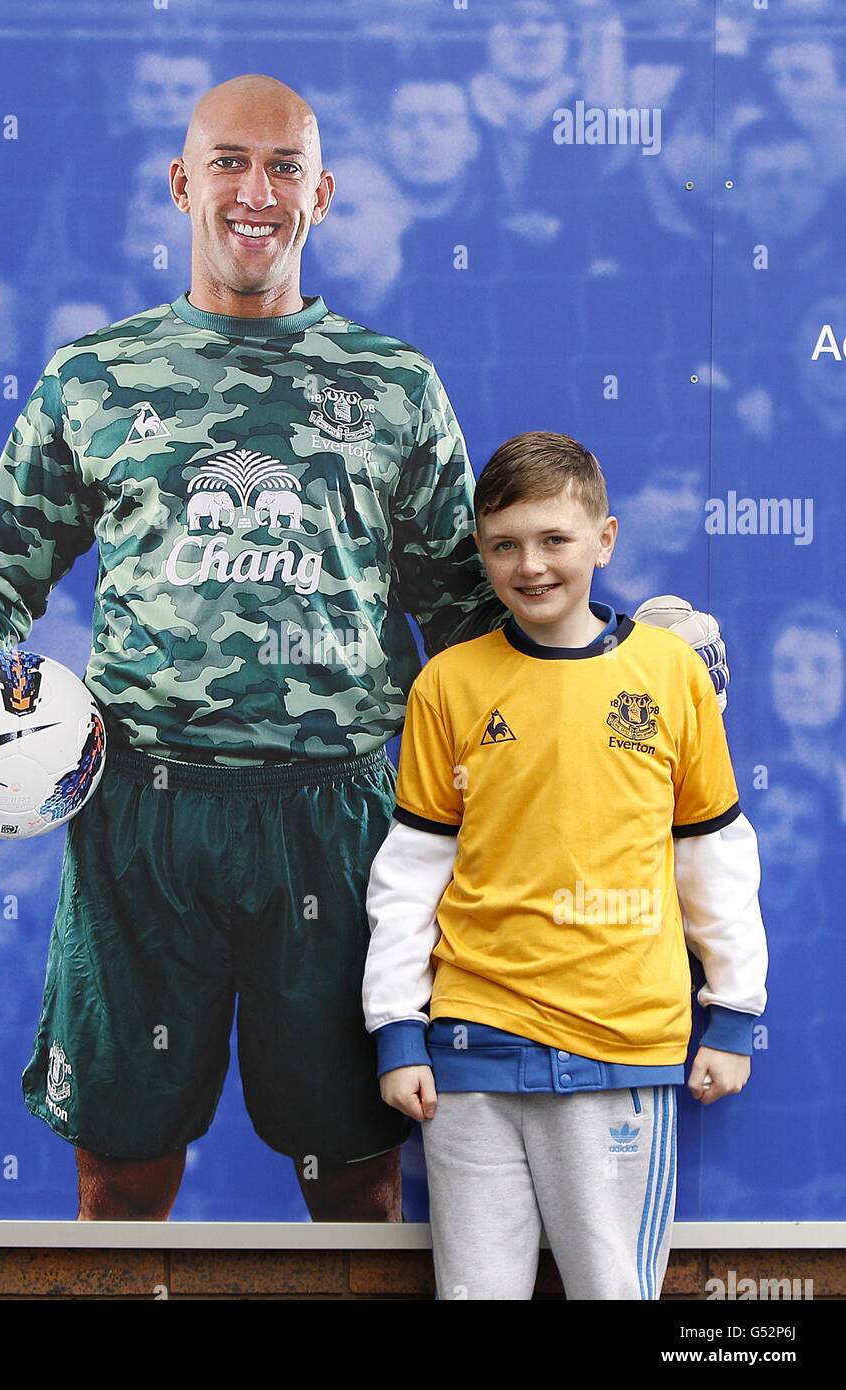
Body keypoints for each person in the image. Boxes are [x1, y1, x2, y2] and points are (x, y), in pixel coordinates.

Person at [0, 76, 728, 1225]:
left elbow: (467, 614)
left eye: (281, 167)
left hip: (344, 827)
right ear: (181, 182)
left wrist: (615, 659)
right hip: (140, 829)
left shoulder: (396, 386)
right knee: (120, 1179)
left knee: (358, 1182)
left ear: (320, 193)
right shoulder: (93, 379)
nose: (253, 191)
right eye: (226, 162)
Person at [363, 431, 767, 1297]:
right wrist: (397, 1027)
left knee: (611, 1289)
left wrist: (733, 1007)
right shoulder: (449, 685)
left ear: (604, 541)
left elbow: (713, 852)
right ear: (481, 551)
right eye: (506, 545)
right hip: (470, 1052)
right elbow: (410, 873)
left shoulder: (670, 676)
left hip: (619, 1052)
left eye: (555, 540)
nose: (532, 565)